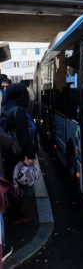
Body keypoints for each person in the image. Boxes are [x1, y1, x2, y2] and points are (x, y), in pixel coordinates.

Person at [1, 83, 37, 224]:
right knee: (17, 185)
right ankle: (16, 216)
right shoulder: (19, 111)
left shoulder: (5, 107)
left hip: (7, 152)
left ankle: (10, 213)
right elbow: (23, 136)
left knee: (10, 182)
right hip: (16, 154)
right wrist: (31, 155)